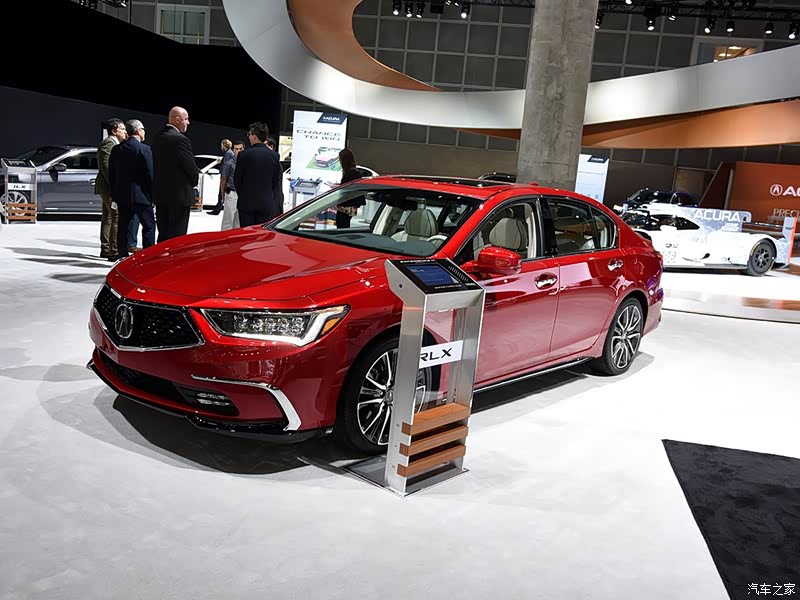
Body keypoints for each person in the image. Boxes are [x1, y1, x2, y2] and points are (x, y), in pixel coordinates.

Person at [151, 106, 199, 242]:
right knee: (177, 237)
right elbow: (190, 167)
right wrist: (194, 181)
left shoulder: (157, 137)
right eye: (186, 119)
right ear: (177, 120)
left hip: (161, 195)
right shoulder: (180, 139)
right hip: (179, 196)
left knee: (163, 234)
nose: (188, 122)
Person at [109, 119, 155, 260]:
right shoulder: (144, 149)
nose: (144, 132)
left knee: (123, 227)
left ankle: (122, 256)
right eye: (143, 129)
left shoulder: (117, 150)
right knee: (149, 226)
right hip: (142, 196)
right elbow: (150, 174)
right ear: (138, 131)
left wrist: (115, 194)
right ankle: (147, 258)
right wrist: (153, 195)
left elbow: (112, 174)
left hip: (123, 196)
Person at [234, 122, 283, 227]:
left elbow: (237, 180)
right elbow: (275, 181)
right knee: (262, 233)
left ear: (255, 137)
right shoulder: (274, 156)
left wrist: (243, 195)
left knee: (247, 233)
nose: (248, 137)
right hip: (266, 203)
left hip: (246, 203)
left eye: (249, 134)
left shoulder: (244, 155)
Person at [95, 118, 127, 260]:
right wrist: (116, 187)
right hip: (108, 187)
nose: (125, 132)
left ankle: (106, 248)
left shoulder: (114, 143)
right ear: (114, 131)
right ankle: (113, 250)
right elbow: (106, 167)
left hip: (107, 186)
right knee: (116, 215)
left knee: (108, 216)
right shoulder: (109, 143)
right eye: (122, 129)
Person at [335, 147, 364, 229]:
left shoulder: (352, 173)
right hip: (347, 206)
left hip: (346, 206)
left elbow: (349, 188)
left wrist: (339, 187)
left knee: (342, 225)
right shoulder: (352, 172)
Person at [220, 140, 245, 231]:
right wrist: (223, 194)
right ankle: (224, 238)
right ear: (233, 150)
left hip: (242, 194)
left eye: (240, 149)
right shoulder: (229, 164)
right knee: (228, 220)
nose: (238, 151)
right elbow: (223, 180)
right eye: (236, 149)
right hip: (231, 193)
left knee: (238, 221)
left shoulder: (246, 163)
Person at [208, 139, 233, 215]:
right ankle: (217, 210)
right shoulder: (229, 153)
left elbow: (226, 166)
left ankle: (217, 210)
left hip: (226, 177)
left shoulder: (228, 153)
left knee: (221, 193)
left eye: (222, 145)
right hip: (227, 177)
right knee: (221, 193)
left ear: (224, 145)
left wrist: (224, 177)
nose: (221, 146)